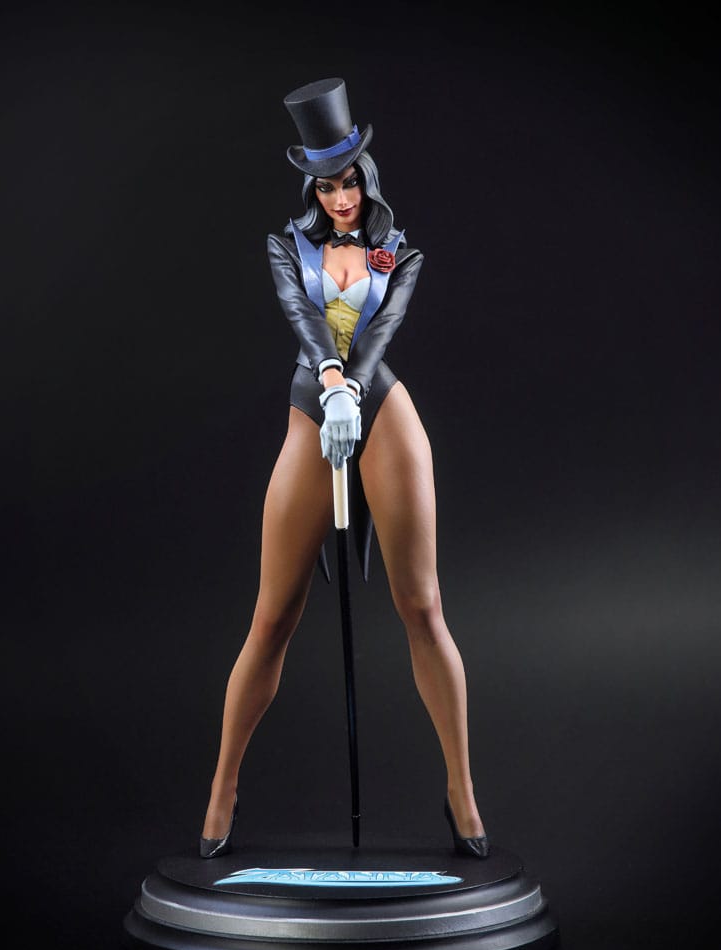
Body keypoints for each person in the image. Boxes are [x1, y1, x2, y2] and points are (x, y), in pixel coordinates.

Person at [199, 78, 488, 860]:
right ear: (312, 190)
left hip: (381, 404)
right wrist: (327, 382)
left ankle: (461, 789)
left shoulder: (402, 252)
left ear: (368, 177)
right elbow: (301, 316)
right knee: (272, 617)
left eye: (349, 182)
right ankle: (223, 785)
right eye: (326, 187)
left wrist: (352, 384)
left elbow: (383, 327)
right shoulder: (285, 247)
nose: (340, 198)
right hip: (312, 404)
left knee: (422, 604)